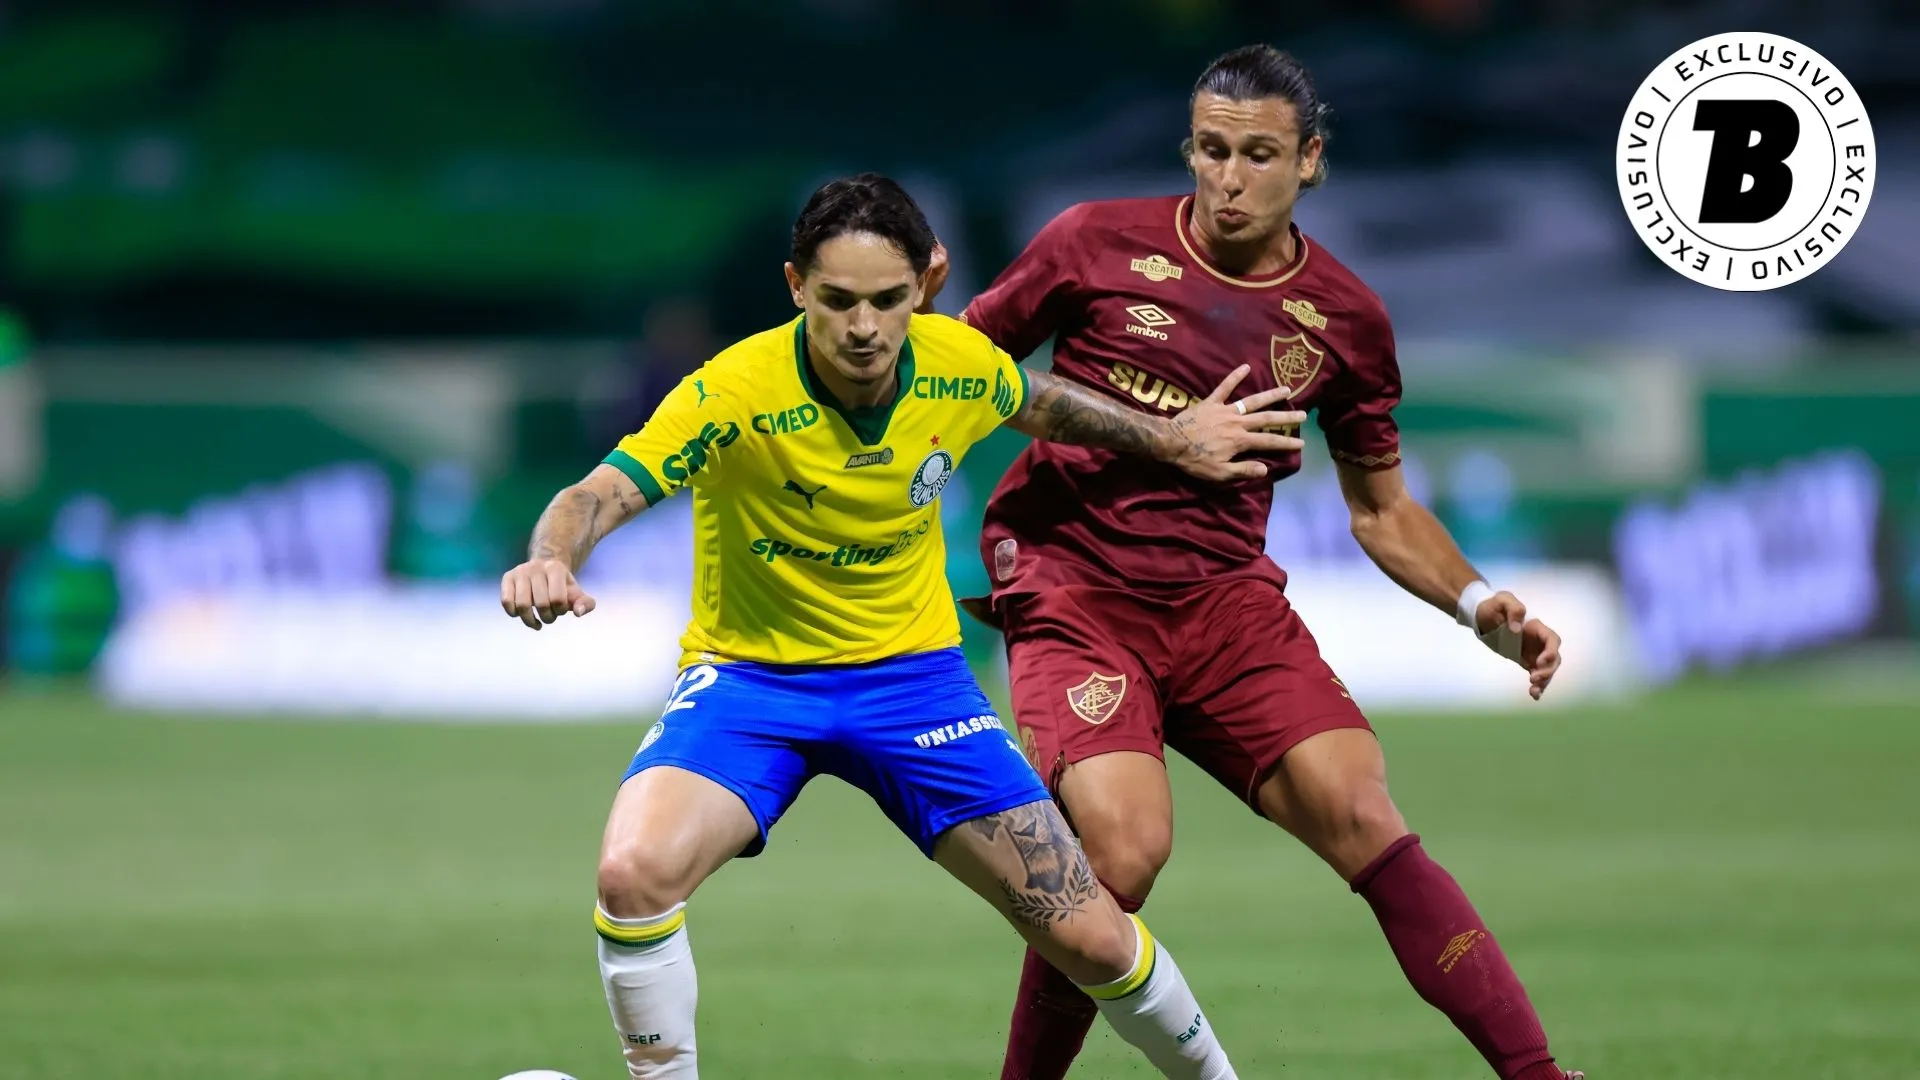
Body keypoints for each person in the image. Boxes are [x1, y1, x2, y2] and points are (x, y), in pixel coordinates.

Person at [500, 173, 1306, 1079]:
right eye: (837, 300)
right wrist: (553, 556)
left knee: (1095, 940)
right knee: (631, 875)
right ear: (796, 285)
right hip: (751, 684)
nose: (864, 328)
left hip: (915, 685)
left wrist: (1172, 439)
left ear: (929, 281)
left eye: (888, 301)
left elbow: (1039, 402)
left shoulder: (956, 362)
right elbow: (597, 492)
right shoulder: (733, 391)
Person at [919, 45, 1580, 1080]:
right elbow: (958, 370)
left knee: (1365, 811)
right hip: (1074, 585)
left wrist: (1480, 600)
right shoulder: (1093, 242)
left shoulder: (1347, 319)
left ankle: (1541, 1077)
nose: (1229, 178)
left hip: (1225, 603)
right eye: (1212, 150)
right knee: (1123, 857)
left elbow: (1382, 507)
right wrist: (1152, 434)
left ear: (1310, 160)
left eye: (1259, 155)